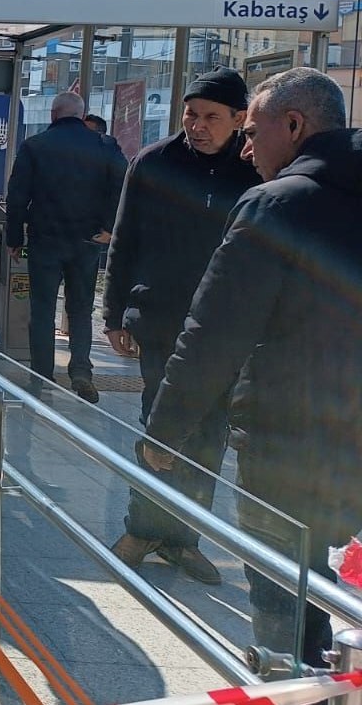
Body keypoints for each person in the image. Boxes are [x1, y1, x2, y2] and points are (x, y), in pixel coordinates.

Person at [140, 68, 362, 668]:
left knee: (284, 586)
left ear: (294, 125)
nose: (246, 147)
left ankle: (292, 679)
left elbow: (215, 331)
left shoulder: (277, 205)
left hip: (287, 434)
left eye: (255, 131)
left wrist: (164, 432)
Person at [105, 68, 261, 586]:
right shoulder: (152, 163)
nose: (197, 125)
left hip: (228, 330)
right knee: (160, 425)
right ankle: (143, 527)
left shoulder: (254, 171)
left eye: (212, 117)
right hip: (163, 321)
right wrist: (113, 315)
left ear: (240, 120)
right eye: (191, 114)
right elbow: (124, 240)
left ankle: (182, 539)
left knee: (210, 437)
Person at [4, 91, 125, 404]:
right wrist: (109, 227)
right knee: (81, 308)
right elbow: (123, 186)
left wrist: (14, 238)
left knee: (42, 309)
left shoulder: (35, 146)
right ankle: (81, 371)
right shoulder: (105, 146)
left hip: (45, 239)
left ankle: (41, 375)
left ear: (53, 115)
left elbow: (17, 196)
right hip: (88, 241)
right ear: (82, 115)